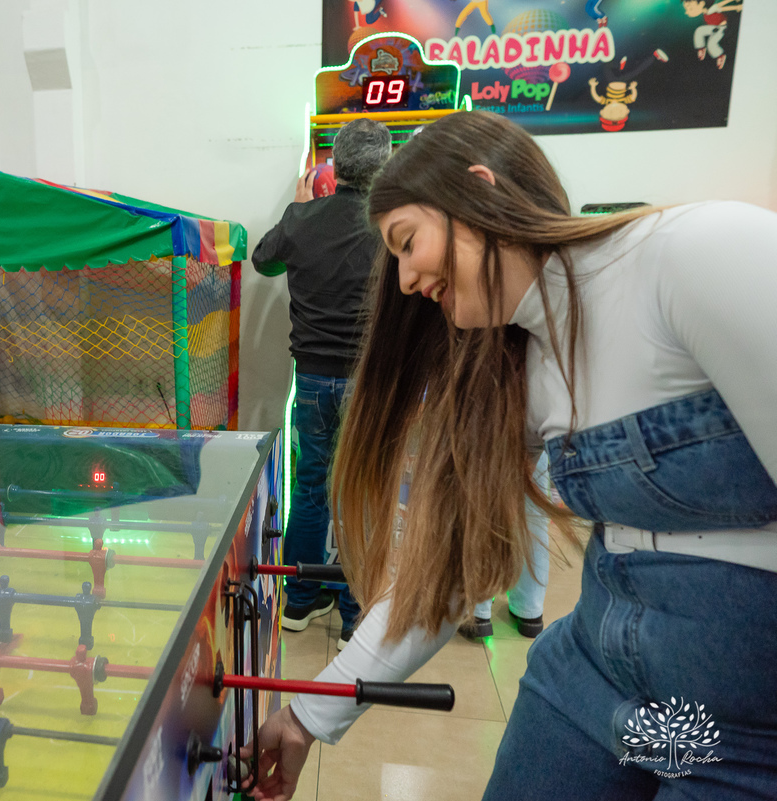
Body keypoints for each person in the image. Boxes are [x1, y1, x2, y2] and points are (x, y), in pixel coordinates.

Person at [243, 110, 777, 800]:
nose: (404, 280)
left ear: (479, 190)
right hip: (594, 693)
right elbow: (440, 581)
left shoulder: (694, 253)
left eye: (407, 243)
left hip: (732, 732)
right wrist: (307, 713)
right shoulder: (511, 369)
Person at [252, 119, 392, 648]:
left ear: (333, 162)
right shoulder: (392, 224)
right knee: (362, 495)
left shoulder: (302, 217)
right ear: (384, 165)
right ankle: (354, 618)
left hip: (310, 379)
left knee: (308, 490)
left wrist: (298, 210)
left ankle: (299, 602)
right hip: (368, 382)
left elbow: (263, 263)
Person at [461, 451, 552, 639]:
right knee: (533, 519)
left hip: (491, 434)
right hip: (538, 433)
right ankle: (530, 611)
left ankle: (478, 612)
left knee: (485, 515)